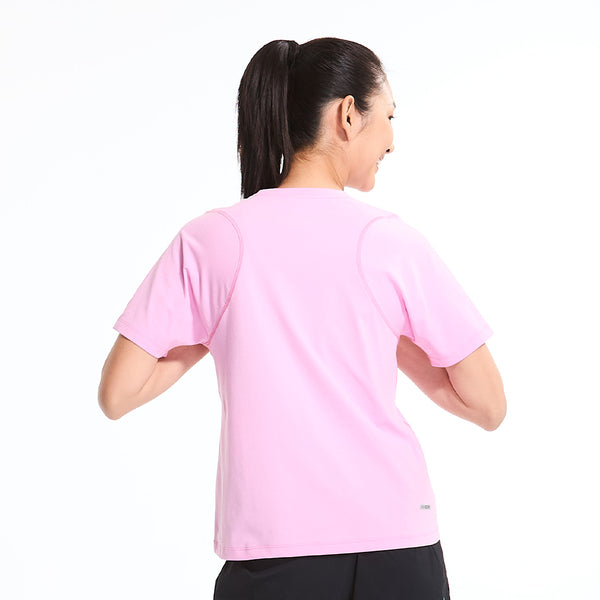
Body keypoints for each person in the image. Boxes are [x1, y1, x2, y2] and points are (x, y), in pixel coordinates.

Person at [98, 37, 506, 600]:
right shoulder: (390, 242)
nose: (392, 139)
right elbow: (488, 405)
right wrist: (390, 335)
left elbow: (117, 394)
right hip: (397, 544)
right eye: (389, 117)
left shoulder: (213, 239)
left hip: (274, 554)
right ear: (348, 114)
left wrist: (212, 329)